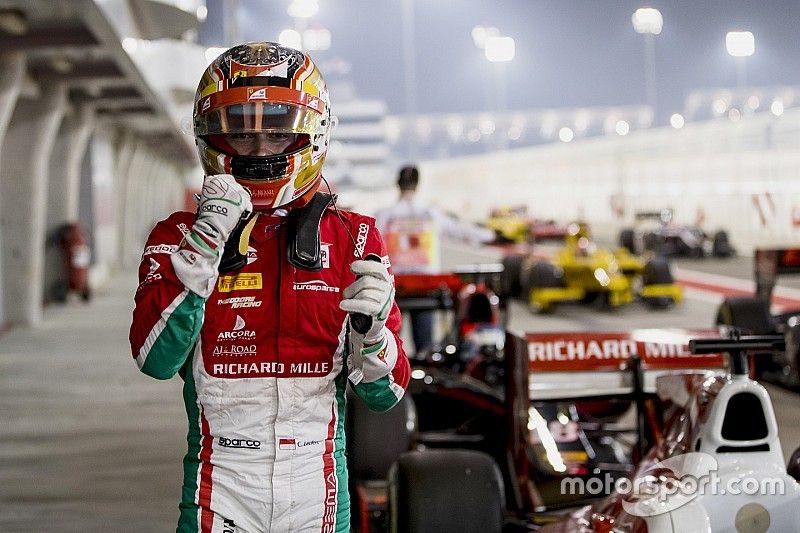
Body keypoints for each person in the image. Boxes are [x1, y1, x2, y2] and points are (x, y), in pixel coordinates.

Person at [128, 42, 409, 533]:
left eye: (277, 133)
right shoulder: (175, 236)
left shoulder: (356, 236)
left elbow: (385, 397)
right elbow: (156, 361)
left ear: (311, 134)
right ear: (208, 135)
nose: (258, 150)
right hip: (220, 487)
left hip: (317, 490)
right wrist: (200, 253)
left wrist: (374, 338)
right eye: (238, 132)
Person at [374, 165, 494, 352]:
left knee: (390, 344)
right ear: (418, 184)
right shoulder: (431, 213)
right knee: (425, 347)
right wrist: (491, 235)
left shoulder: (385, 215)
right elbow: (460, 231)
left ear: (397, 184)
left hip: (395, 287)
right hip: (426, 286)